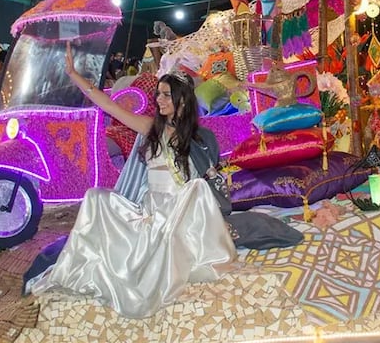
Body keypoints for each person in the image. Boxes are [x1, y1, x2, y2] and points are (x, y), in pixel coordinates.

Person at [27, 41, 237, 318]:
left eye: (166, 95)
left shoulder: (198, 138)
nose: (159, 100)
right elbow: (108, 105)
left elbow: (205, 180)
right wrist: (74, 75)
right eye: (158, 94)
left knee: (195, 188)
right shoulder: (151, 128)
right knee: (95, 198)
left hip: (181, 210)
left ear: (182, 100)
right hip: (150, 211)